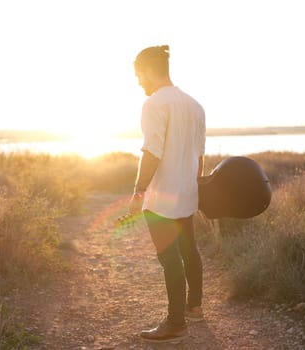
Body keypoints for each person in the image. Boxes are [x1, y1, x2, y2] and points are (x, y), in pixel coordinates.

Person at [129, 45, 206, 343]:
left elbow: (151, 152)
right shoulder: (195, 105)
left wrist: (138, 191)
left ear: (149, 70)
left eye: (138, 75)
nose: (138, 82)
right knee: (189, 251)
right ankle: (194, 308)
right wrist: (192, 185)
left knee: (169, 258)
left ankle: (175, 324)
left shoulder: (154, 105)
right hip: (186, 191)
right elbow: (200, 157)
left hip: (161, 197)